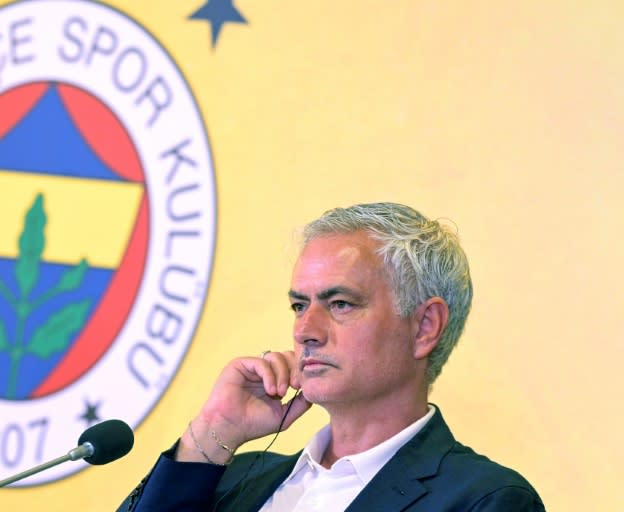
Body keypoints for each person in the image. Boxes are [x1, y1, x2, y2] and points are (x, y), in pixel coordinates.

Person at [117, 202, 545, 511]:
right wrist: (213, 431)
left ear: (424, 327)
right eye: (299, 305)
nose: (305, 331)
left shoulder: (485, 499)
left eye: (340, 303)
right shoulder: (233, 479)